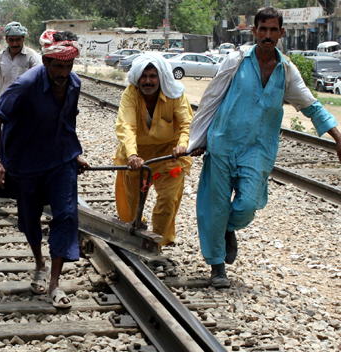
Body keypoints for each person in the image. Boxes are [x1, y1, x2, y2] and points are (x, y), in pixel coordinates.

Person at [188, 7, 341, 288]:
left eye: (273, 30)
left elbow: (311, 105)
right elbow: (211, 100)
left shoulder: (287, 71)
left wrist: (337, 136)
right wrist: (197, 140)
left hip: (258, 149)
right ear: (254, 31)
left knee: (247, 205)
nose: (268, 35)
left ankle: (227, 230)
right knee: (216, 206)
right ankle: (217, 267)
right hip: (223, 142)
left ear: (282, 33)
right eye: (263, 29)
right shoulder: (235, 61)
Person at [0, 30, 89, 309]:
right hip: (26, 162)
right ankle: (39, 264)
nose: (63, 72)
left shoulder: (74, 84)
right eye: (58, 66)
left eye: (68, 66)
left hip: (60, 160)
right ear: (45, 62)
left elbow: (67, 121)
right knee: (29, 219)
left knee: (67, 215)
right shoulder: (26, 84)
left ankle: (55, 284)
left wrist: (74, 153)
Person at [113, 54, 193, 247]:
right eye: (144, 76)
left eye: (153, 76)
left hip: (169, 156)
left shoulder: (175, 95)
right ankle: (135, 230)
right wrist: (132, 154)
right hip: (137, 156)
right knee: (133, 202)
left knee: (168, 199)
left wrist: (182, 145)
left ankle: (156, 241)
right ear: (138, 78)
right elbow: (126, 126)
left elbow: (186, 124)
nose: (148, 81)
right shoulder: (131, 94)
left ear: (161, 78)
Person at [0, 22, 42, 96]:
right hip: (6, 100)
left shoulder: (32, 57)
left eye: (18, 40)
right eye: (11, 40)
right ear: (7, 40)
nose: (15, 44)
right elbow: (0, 81)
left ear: (23, 39)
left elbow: (39, 82)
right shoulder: (2, 56)